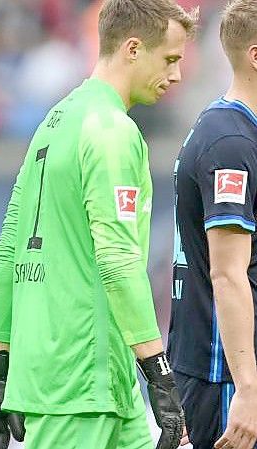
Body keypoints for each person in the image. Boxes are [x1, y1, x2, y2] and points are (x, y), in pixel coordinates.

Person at [0, 1, 198, 448]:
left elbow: (9, 248)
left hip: (98, 383)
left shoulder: (54, 122)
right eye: (170, 59)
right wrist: (161, 376)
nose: (177, 75)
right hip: (80, 383)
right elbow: (118, 260)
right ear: (133, 49)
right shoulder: (111, 132)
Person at [170, 1, 257, 448]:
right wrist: (247, 389)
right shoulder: (231, 143)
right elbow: (226, 272)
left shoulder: (236, 132)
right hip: (221, 375)